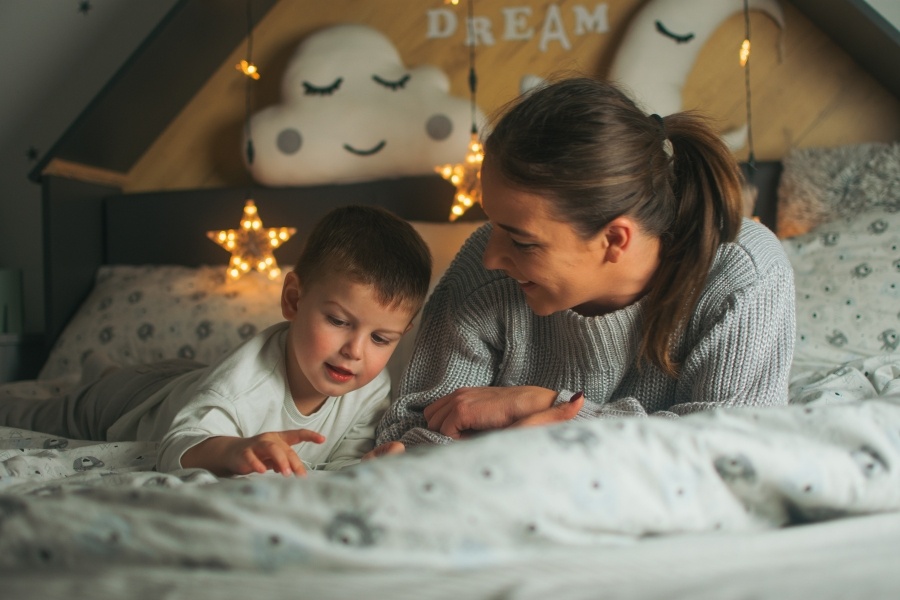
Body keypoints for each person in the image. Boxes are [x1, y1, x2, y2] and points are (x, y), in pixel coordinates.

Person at [372, 76, 795, 452]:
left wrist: (548, 410)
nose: (491, 257)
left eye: (522, 241)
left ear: (614, 239)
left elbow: (736, 452)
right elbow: (407, 430)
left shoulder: (744, 274)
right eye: (492, 224)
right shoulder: (488, 268)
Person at [1, 205, 431, 476]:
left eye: (381, 337)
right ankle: (99, 375)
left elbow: (338, 465)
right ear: (294, 299)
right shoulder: (243, 382)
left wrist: (364, 470)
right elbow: (177, 447)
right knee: (47, 413)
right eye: (338, 320)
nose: (355, 351)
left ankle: (100, 366)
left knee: (127, 377)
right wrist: (234, 451)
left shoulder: (371, 388)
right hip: (133, 399)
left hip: (188, 381)